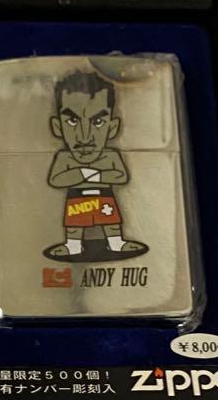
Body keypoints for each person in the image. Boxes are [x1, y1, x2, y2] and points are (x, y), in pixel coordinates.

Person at [44, 68, 145, 261]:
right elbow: (56, 179)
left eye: (98, 121)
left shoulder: (111, 155)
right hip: (77, 199)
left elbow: (121, 176)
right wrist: (88, 173)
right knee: (74, 224)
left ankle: (116, 243)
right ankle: (73, 246)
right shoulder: (64, 158)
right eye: (72, 121)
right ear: (57, 127)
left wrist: (87, 175)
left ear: (113, 128)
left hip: (104, 197)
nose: (85, 136)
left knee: (111, 221)